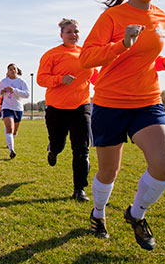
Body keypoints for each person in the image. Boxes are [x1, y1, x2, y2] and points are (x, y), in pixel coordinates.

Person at [79, 0, 165, 250]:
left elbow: (145, 61)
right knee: (109, 172)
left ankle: (136, 214)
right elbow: (86, 59)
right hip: (110, 104)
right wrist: (121, 44)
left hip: (148, 101)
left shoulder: (161, 16)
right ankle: (98, 213)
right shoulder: (112, 16)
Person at [37, 18, 98, 203]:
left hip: (81, 106)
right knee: (58, 143)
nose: (73, 35)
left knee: (82, 149)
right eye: (69, 32)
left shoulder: (87, 54)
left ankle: (79, 189)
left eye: (76, 31)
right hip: (57, 108)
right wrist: (60, 79)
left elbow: (96, 78)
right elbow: (41, 79)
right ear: (61, 35)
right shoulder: (52, 54)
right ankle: (53, 150)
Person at [0, 64, 29, 159]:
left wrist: (14, 90)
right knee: (9, 128)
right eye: (10, 69)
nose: (12, 71)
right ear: (8, 71)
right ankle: (11, 150)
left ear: (17, 70)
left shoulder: (21, 81)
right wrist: (2, 92)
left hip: (18, 108)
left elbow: (27, 94)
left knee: (14, 131)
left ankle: (10, 141)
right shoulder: (3, 81)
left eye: (14, 69)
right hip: (7, 107)